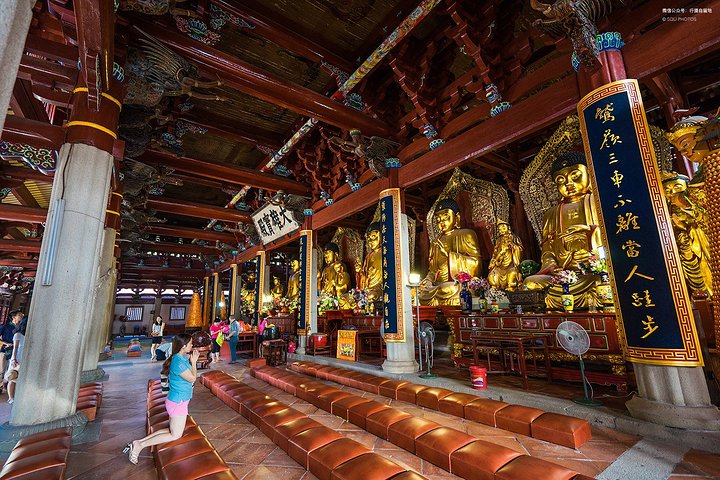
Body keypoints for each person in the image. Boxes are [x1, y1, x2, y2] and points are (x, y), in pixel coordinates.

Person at [524, 152, 603, 309]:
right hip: (561, 274)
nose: (569, 183)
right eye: (561, 180)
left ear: (589, 175)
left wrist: (590, 234)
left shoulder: (598, 203)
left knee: (603, 281)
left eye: (575, 176)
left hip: (592, 273)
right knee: (529, 283)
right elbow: (547, 251)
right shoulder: (551, 214)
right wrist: (553, 265)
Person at [125, 333, 199, 464]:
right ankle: (140, 446)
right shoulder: (178, 361)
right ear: (183, 346)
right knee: (175, 435)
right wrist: (194, 363)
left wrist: (191, 362)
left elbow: (191, 378)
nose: (192, 345)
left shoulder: (181, 358)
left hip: (178, 400)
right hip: (178, 402)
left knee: (172, 430)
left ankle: (138, 442)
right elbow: (193, 378)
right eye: (190, 343)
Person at [419, 198, 481, 306]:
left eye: (446, 218)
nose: (441, 223)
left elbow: (477, 265)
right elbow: (433, 270)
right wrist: (427, 280)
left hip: (455, 284)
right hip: (437, 286)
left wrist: (449, 255)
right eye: (438, 220)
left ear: (456, 218)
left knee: (447, 289)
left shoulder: (466, 234)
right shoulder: (435, 242)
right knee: (416, 292)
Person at [488, 220, 524, 291]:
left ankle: (511, 286)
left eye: (504, 228)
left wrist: (513, 247)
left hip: (511, 266)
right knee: (492, 276)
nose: (502, 231)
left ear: (509, 228)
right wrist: (493, 261)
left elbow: (520, 249)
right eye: (500, 230)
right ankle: (495, 288)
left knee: (513, 274)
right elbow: (495, 253)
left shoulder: (514, 238)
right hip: (500, 266)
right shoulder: (498, 240)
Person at [5, 316, 27, 405]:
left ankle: (17, 397)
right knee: (12, 378)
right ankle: (10, 398)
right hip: (16, 358)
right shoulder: (17, 335)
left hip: (23, 359)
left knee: (19, 379)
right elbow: (15, 347)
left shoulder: (27, 335)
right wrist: (13, 358)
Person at [0, 310, 22, 393]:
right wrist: (6, 343)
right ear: (13, 317)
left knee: (11, 371)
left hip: (17, 353)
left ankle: (6, 386)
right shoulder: (5, 327)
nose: (21, 316)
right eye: (19, 315)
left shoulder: (20, 328)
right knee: (2, 370)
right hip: (6, 351)